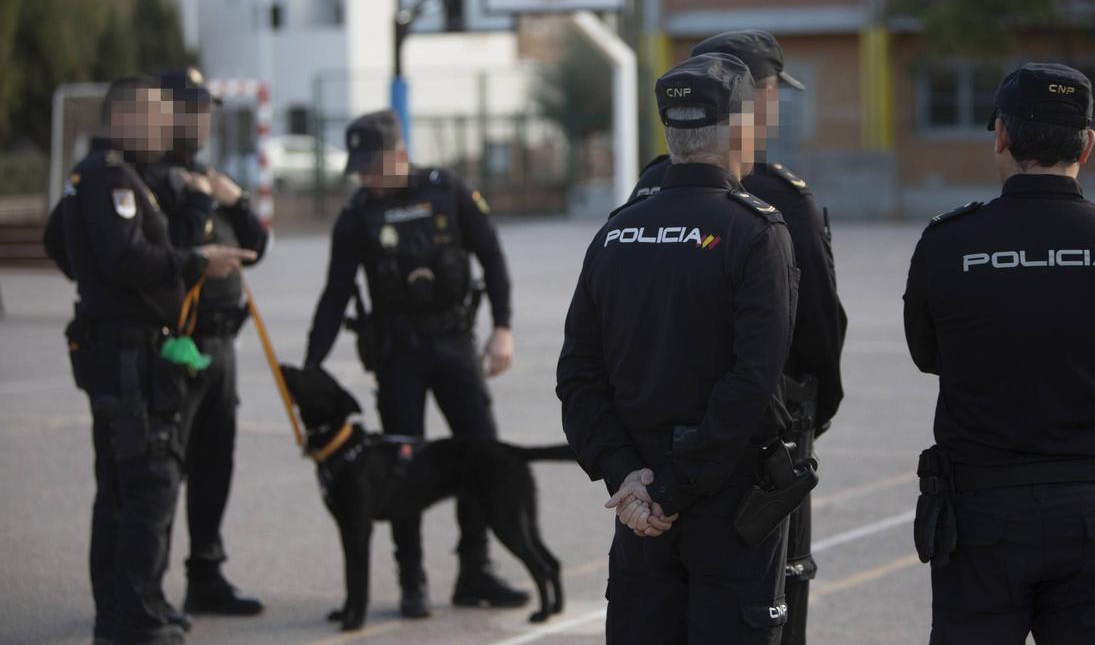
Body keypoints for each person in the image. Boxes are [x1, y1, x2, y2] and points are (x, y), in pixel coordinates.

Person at [903, 63, 1095, 644]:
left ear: (1001, 136)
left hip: (982, 516)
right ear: (1087, 145)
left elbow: (927, 353)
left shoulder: (949, 243)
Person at [558, 53, 799, 644]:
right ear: (741, 129)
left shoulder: (616, 230)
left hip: (639, 505)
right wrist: (672, 488)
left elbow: (577, 375)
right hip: (726, 503)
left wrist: (628, 479)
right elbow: (752, 382)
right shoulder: (756, 230)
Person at [628, 29, 846, 643]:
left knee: (652, 610)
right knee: (763, 604)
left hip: (649, 452)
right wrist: (808, 420)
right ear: (757, 98)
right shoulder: (778, 199)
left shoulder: (645, 191)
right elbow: (817, 335)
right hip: (753, 450)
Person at [42, 75, 254, 645]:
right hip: (128, 350)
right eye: (159, 117)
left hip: (128, 344)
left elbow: (63, 244)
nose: (170, 128)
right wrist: (192, 262)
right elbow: (125, 257)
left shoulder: (109, 173)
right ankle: (137, 618)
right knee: (146, 484)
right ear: (127, 118)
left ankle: (122, 613)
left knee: (124, 484)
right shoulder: (112, 176)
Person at [303, 110, 525, 617]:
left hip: (453, 343)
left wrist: (504, 328)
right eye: (357, 169)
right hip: (396, 353)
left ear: (398, 156)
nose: (363, 178)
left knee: (479, 455)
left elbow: (492, 258)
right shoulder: (358, 215)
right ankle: (412, 579)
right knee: (402, 470)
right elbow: (335, 295)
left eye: (370, 167)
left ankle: (475, 571)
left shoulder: (448, 191)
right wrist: (312, 366)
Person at [141, 67, 268, 616]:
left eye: (205, 110)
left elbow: (255, 248)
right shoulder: (149, 180)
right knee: (164, 473)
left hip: (221, 345)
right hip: (177, 346)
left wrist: (236, 202)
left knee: (217, 463)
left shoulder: (206, 175)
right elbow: (167, 256)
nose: (201, 120)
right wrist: (196, 204)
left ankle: (206, 575)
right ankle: (148, 587)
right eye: (190, 109)